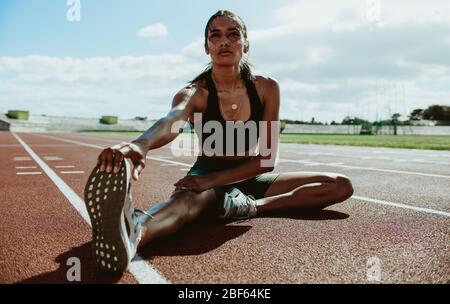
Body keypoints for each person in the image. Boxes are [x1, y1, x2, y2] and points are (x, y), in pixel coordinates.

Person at [84, 10, 354, 274]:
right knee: (184, 203)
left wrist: (233, 191)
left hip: (249, 178)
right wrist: (142, 144)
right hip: (206, 176)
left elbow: (267, 158)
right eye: (215, 35)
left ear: (245, 44)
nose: (224, 41)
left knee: (339, 185)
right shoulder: (195, 93)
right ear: (206, 47)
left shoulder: (267, 88)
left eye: (232, 34)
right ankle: (135, 231)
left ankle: (250, 207)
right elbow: (173, 120)